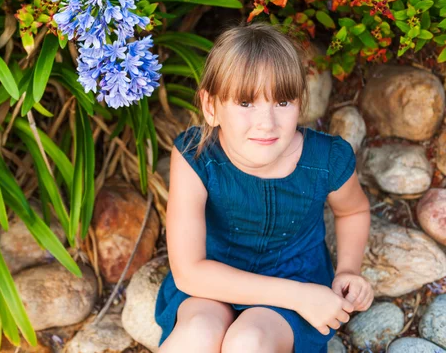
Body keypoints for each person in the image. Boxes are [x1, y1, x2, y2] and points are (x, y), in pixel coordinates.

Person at [154, 21, 373, 353]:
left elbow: (353, 210)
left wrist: (348, 270)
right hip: (213, 280)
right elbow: (189, 273)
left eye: (282, 102)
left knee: (248, 342)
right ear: (211, 107)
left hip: (294, 277)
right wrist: (301, 297)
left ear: (300, 102)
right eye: (245, 103)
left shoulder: (326, 159)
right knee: (197, 333)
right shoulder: (196, 157)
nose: (266, 122)